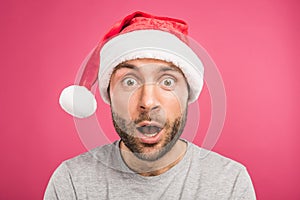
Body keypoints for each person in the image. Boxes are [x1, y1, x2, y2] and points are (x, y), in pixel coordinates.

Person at [44, 11, 256, 199]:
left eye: (167, 82)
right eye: (130, 82)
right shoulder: (71, 182)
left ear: (187, 93)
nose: (148, 102)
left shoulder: (230, 182)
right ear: (108, 93)